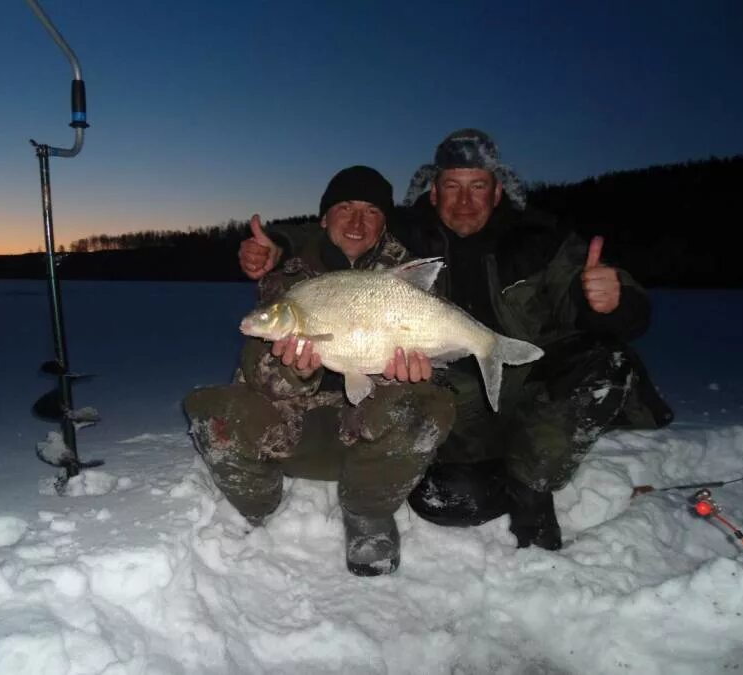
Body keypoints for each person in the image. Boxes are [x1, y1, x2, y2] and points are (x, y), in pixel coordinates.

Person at [238, 130, 673, 551]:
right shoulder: (410, 235)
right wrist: (277, 245)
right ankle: (502, 463)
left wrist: (613, 301)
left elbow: (621, 311)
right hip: (458, 399)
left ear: (497, 191)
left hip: (536, 384)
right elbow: (341, 232)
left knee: (607, 362)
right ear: (433, 192)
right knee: (444, 502)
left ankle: (532, 486)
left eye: (478, 186)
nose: (464, 200)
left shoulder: (542, 240)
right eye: (452, 186)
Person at [184, 165, 455, 576]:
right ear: (324, 217)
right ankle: (259, 504)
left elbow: (429, 362)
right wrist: (296, 373)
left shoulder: (409, 279)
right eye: (344, 208)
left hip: (366, 436)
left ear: (384, 223)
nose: (356, 222)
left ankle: (369, 513)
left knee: (430, 405)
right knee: (211, 411)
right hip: (293, 434)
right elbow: (259, 373)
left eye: (371, 211)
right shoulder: (287, 276)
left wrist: (412, 372)